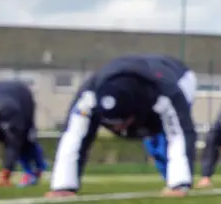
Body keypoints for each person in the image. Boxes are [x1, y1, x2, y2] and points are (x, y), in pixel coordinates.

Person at [48, 54, 199, 198]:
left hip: (178, 76)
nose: (117, 130)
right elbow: (73, 136)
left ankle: (176, 179)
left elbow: (180, 133)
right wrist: (63, 186)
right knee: (153, 145)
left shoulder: (165, 91)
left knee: (163, 142)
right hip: (136, 86)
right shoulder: (89, 95)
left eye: (122, 123)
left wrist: (179, 184)